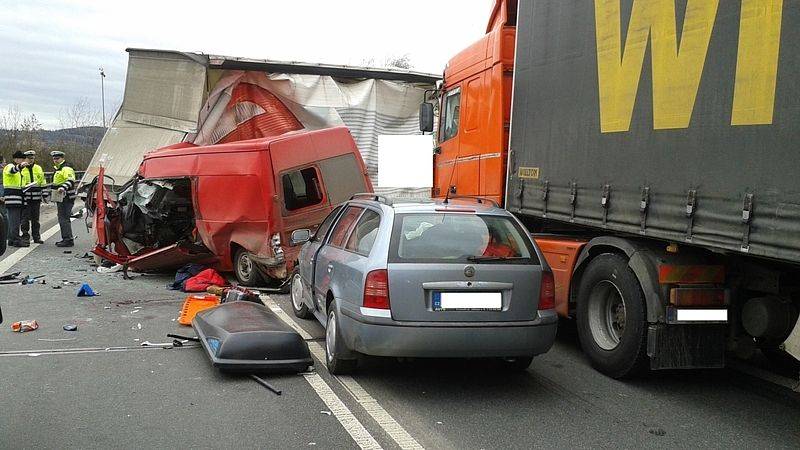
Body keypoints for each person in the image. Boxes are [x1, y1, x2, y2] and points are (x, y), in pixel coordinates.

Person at [2, 151, 30, 247]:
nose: (23, 161)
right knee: (15, 220)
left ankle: (11, 239)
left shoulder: (19, 171)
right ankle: (16, 239)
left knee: (13, 220)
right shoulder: (9, 166)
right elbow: (12, 170)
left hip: (17, 198)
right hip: (13, 198)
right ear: (17, 159)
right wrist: (20, 166)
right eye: (22, 159)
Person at [51, 150, 76, 247]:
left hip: (66, 197)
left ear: (62, 158)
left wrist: (63, 187)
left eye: (57, 158)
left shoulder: (66, 168)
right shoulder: (59, 169)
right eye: (54, 159)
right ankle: (67, 238)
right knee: (63, 217)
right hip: (61, 198)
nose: (55, 160)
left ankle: (68, 239)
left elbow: (70, 180)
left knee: (63, 218)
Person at [20, 150, 46, 244]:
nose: (30, 160)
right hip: (25, 197)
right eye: (29, 158)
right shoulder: (21, 168)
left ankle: (36, 237)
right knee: (25, 218)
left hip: (36, 198)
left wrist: (45, 194)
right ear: (25, 159)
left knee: (36, 219)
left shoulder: (38, 168)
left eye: (32, 158)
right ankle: (25, 237)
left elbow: (43, 181)